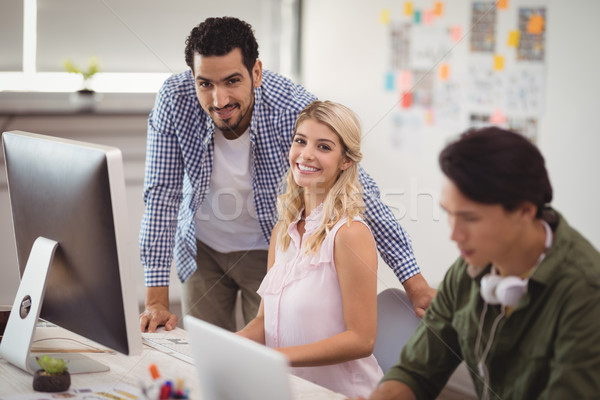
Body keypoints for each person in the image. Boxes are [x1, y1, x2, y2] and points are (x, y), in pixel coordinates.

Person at [139, 16, 435, 333]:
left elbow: (360, 192)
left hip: (266, 248)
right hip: (202, 249)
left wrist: (414, 282)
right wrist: (156, 300)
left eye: (232, 81)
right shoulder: (174, 100)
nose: (219, 100)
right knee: (204, 354)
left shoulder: (291, 108)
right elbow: (162, 195)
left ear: (256, 73)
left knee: (273, 349)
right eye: (205, 84)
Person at [359, 127, 600, 400]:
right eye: (449, 214)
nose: (454, 235)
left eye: (470, 219)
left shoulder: (585, 293)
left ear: (524, 211)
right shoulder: (467, 271)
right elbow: (416, 371)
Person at [238, 100, 383, 398]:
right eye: (300, 141)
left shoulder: (350, 234)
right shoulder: (283, 232)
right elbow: (264, 322)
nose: (306, 154)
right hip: (291, 390)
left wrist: (277, 358)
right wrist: (230, 344)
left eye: (324, 147)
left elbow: (362, 340)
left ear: (346, 161)